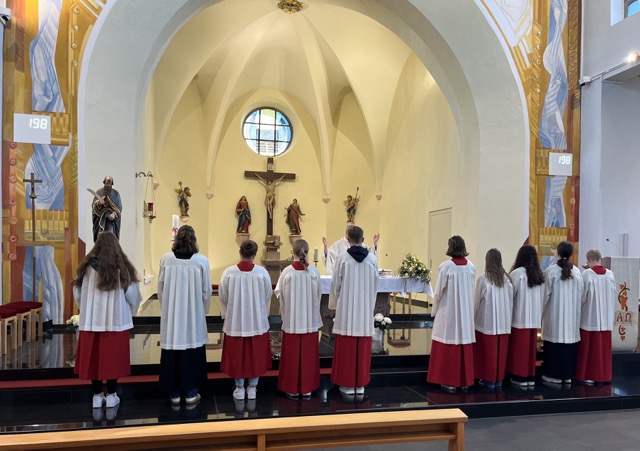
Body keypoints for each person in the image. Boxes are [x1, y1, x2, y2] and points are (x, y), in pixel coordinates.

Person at [71, 231, 142, 410]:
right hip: (115, 321)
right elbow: (133, 296)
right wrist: (129, 313)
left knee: (94, 360)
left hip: (92, 322)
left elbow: (77, 292)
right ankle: (111, 395)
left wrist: (86, 310)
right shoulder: (122, 268)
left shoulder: (87, 268)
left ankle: (96, 396)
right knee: (112, 360)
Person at [157, 225, 212, 405]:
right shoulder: (201, 261)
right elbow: (207, 291)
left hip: (172, 315)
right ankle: (191, 392)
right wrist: (201, 312)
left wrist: (167, 309)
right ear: (194, 240)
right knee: (192, 351)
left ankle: (174, 393)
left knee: (173, 351)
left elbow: (160, 289)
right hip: (193, 316)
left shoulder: (166, 259)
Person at [219, 240, 273, 400]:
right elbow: (267, 295)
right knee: (255, 355)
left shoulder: (229, 273)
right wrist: (260, 312)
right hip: (256, 321)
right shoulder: (262, 273)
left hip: (236, 320)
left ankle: (239, 388)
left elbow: (223, 296)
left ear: (240, 252)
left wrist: (229, 313)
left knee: (237, 355)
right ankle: (252, 388)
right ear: (254, 255)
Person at [329, 225, 378, 396]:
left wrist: (335, 304)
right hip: (364, 309)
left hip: (346, 308)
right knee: (363, 346)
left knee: (347, 346)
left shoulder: (342, 258)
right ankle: (360, 384)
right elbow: (375, 285)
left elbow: (335, 284)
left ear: (348, 239)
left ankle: (347, 384)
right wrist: (369, 305)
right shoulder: (372, 259)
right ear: (362, 240)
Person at [274, 239, 322, 399]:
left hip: (293, 320)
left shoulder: (287, 272)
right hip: (309, 321)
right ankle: (307, 388)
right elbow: (318, 296)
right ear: (307, 252)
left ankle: (292, 388)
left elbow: (280, 295)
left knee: (292, 355)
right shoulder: (314, 272)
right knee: (309, 355)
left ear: (292, 252)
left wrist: (288, 311)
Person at [427, 235, 476, 392]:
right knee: (463, 341)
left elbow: (438, 292)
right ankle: (464, 380)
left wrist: (434, 310)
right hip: (465, 312)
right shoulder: (471, 266)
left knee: (448, 340)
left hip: (449, 310)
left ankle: (449, 380)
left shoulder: (446, 266)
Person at [541, 241, 584, 385]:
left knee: (554, 346)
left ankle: (553, 375)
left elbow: (544, 296)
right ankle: (567, 376)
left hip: (555, 317)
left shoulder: (550, 272)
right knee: (569, 346)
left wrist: (540, 313)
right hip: (572, 317)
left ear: (557, 253)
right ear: (571, 254)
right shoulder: (577, 272)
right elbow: (582, 296)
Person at [474, 249, 513, 388]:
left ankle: (488, 379)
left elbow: (476, 302)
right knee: (500, 353)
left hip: (487, 323)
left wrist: (472, 318)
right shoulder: (507, 280)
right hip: (504, 323)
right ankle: (498, 380)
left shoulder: (484, 279)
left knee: (488, 353)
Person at [575, 249, 616, 385]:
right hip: (606, 317)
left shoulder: (587, 274)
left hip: (590, 316)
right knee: (603, 349)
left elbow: (582, 297)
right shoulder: (610, 274)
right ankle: (604, 376)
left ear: (589, 260)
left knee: (589, 349)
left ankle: (588, 375)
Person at [506, 245, 545, 388]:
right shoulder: (539, 275)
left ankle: (519, 376)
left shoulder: (516, 274)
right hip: (533, 318)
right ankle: (530, 376)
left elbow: (510, 296)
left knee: (519, 350)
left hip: (519, 317)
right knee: (529, 350)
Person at [91, 176, 122, 242]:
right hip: (100, 219)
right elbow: (93, 206)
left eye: (109, 183)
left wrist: (114, 214)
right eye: (106, 183)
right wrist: (98, 203)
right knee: (101, 238)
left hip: (111, 221)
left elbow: (119, 209)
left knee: (110, 238)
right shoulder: (99, 192)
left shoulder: (116, 194)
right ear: (104, 183)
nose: (108, 185)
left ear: (112, 184)